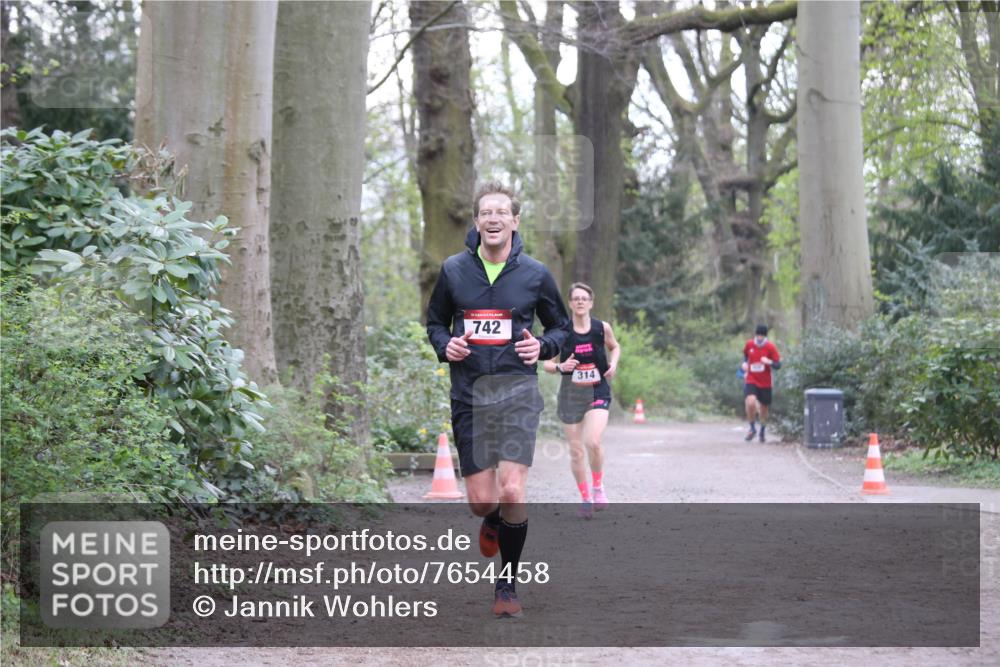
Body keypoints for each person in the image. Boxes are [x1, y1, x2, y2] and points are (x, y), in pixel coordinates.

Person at [426, 181, 569, 618]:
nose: (493, 218)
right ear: (476, 221)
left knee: (512, 489)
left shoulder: (535, 274)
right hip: (469, 396)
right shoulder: (453, 270)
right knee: (483, 501)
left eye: (501, 212)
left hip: (517, 393)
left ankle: (507, 585)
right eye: (486, 212)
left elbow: (560, 328)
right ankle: (492, 519)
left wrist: (542, 347)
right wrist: (445, 345)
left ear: (515, 221)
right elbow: (435, 323)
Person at [542, 283, 620, 519]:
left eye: (584, 298)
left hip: (597, 391)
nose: (580, 302)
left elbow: (615, 347)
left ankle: (598, 487)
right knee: (576, 451)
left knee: (593, 441)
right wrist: (561, 366)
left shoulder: (601, 328)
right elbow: (547, 364)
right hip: (571, 396)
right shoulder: (562, 332)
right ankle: (585, 498)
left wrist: (614, 364)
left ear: (591, 303)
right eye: (575, 298)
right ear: (570, 303)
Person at [741, 324, 782, 442]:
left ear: (765, 336)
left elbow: (778, 365)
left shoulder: (770, 347)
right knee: (750, 402)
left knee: (764, 408)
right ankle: (752, 428)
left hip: (765, 382)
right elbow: (745, 356)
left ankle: (762, 430)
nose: (759, 338)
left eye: (762, 336)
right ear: (755, 334)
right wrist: (744, 364)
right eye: (758, 335)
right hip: (751, 379)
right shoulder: (749, 344)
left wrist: (769, 362)